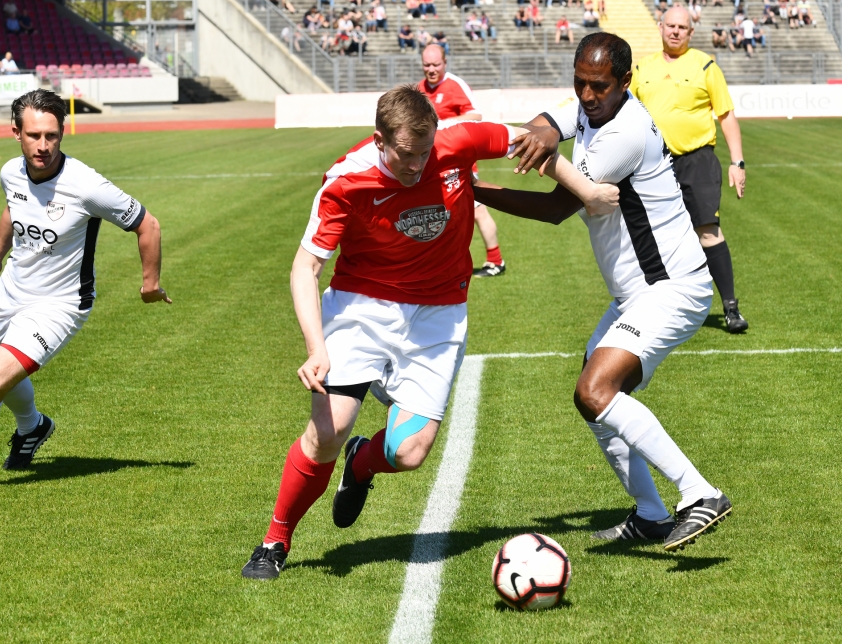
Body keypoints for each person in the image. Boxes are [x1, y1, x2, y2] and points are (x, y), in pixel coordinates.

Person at [239, 84, 614, 580]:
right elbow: (305, 267)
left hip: (440, 312)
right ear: (380, 140)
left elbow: (532, 140)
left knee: (408, 452)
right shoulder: (345, 181)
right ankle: (275, 540)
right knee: (327, 431)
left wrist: (585, 191)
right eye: (406, 155)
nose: (418, 166)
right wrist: (315, 348)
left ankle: (362, 465)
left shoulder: (454, 142)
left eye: (425, 153)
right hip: (361, 307)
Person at [481, 32, 734, 551]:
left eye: (599, 86)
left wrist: (470, 191)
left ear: (624, 82)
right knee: (593, 399)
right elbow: (542, 128)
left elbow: (556, 207)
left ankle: (700, 493)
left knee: (595, 390)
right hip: (636, 294)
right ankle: (650, 513)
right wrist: (536, 134)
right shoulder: (588, 106)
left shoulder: (628, 131)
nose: (588, 94)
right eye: (579, 83)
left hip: (674, 289)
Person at [0, 90, 171, 495]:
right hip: (12, 290)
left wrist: (149, 284)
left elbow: (147, 224)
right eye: (34, 135)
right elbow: (13, 211)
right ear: (16, 133)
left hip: (60, 304)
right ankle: (34, 427)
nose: (44, 146)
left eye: (52, 135)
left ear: (63, 132)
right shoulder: (11, 172)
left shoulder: (86, 185)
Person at [629, 6, 749, 332]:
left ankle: (730, 308)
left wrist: (737, 162)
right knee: (653, 235)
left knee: (707, 230)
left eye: (683, 27)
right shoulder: (642, 69)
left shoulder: (706, 65)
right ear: (660, 27)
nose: (676, 31)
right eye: (671, 25)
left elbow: (725, 115)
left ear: (691, 32)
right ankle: (656, 307)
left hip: (698, 159)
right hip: (654, 163)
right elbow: (627, 116)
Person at [418, 44, 508, 277]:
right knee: (436, 214)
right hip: (431, 165)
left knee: (477, 211)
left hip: (459, 163)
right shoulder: (419, 89)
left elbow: (476, 116)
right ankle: (435, 264)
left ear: (445, 63)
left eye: (436, 64)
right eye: (427, 65)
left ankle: (496, 261)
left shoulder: (455, 85)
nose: (431, 69)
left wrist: (443, 125)